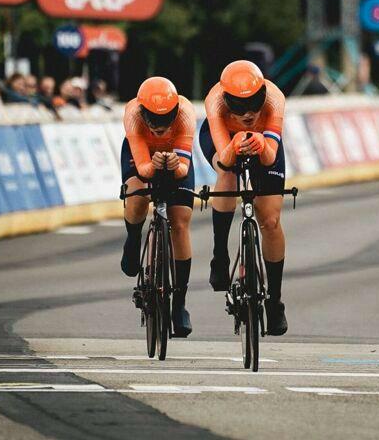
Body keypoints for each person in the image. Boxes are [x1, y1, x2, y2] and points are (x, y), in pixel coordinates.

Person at [199, 60, 290, 335]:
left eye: (254, 104)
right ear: (227, 100)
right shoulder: (214, 100)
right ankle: (220, 256)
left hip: (264, 141)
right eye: (240, 107)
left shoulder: (275, 98)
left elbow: (271, 156)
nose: (249, 113)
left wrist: (261, 143)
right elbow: (225, 160)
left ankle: (274, 302)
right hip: (224, 139)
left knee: (271, 220)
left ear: (263, 95)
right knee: (226, 174)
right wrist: (234, 146)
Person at [119, 77, 196, 337]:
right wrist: (153, 166)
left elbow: (184, 168)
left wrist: (175, 166)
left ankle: (180, 304)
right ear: (143, 113)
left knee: (181, 221)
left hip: (176, 155)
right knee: (138, 196)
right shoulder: (132, 113)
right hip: (141, 153)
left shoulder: (185, 112)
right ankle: (132, 238)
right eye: (154, 120)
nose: (161, 127)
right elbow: (142, 169)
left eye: (166, 121)